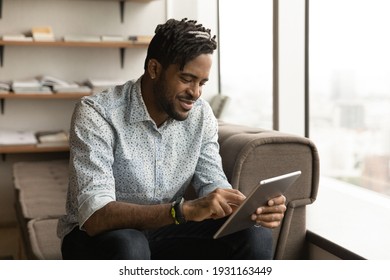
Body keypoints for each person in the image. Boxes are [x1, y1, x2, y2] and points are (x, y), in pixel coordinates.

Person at [57, 18, 287, 260]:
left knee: (254, 234)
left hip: (165, 230)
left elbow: (212, 183)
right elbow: (95, 216)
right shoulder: (97, 112)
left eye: (202, 83)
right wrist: (181, 211)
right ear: (154, 69)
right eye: (187, 79)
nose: (195, 93)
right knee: (130, 244)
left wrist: (248, 209)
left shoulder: (201, 115)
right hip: (95, 238)